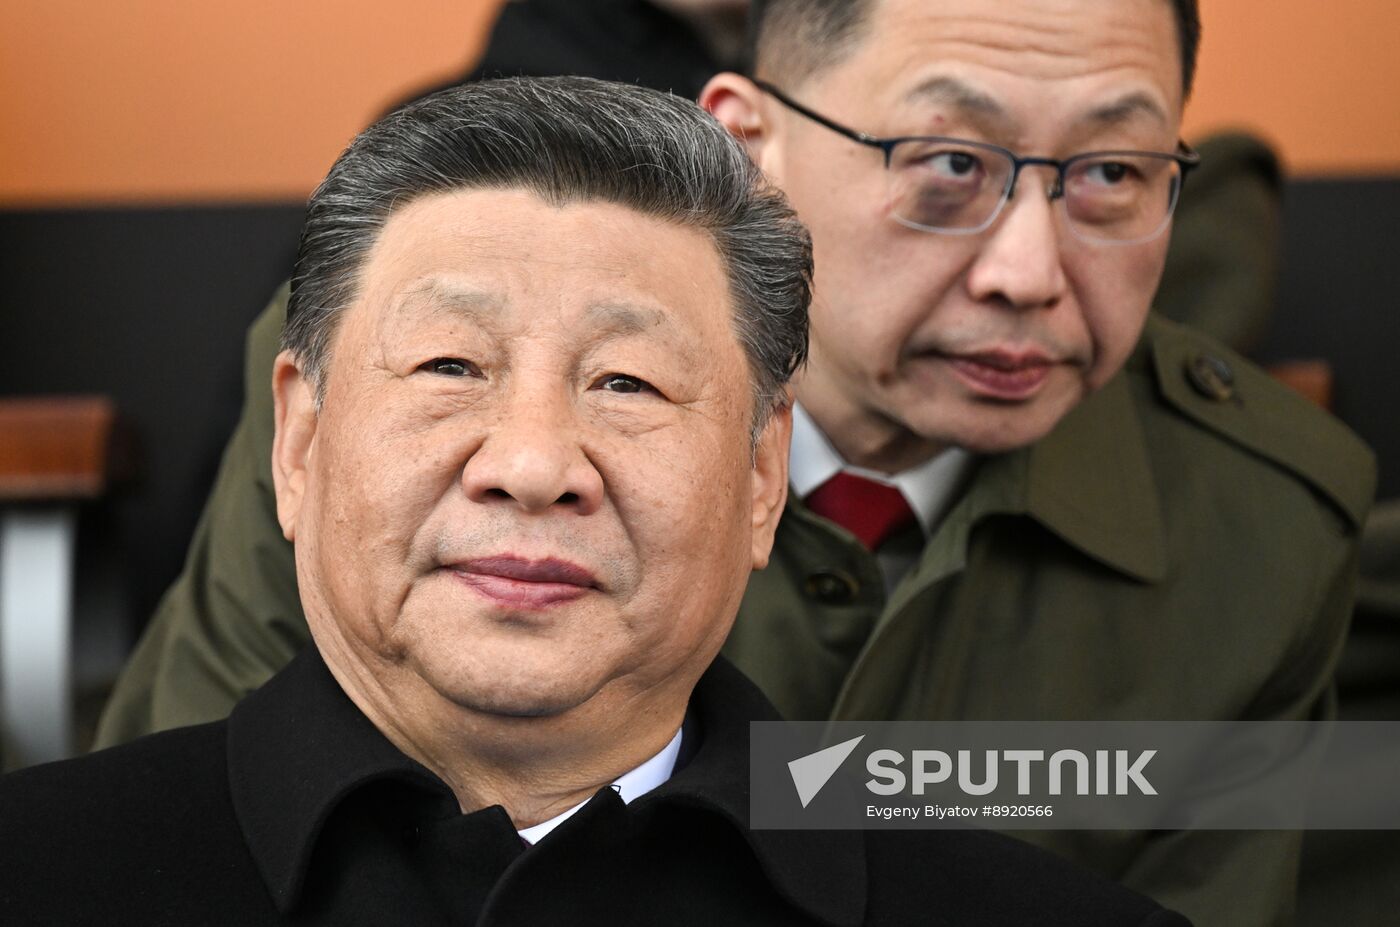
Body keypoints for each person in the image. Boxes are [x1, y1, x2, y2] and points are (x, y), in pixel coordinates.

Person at [94, 1, 1374, 923]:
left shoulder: (1260, 521)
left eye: (1107, 174)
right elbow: (192, 845)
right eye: (945, 167)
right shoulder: (411, 404)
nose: (1027, 274)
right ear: (748, 142)